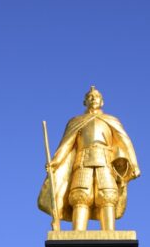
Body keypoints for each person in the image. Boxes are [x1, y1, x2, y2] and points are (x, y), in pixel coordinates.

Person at [39, 86, 140, 231]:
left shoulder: (111, 120)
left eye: (96, 97)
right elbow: (66, 144)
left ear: (102, 101)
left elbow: (125, 141)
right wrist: (55, 162)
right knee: (80, 196)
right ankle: (78, 233)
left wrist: (134, 164)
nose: (93, 99)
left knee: (107, 196)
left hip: (105, 162)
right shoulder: (76, 121)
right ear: (84, 102)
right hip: (82, 162)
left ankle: (109, 234)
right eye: (90, 97)